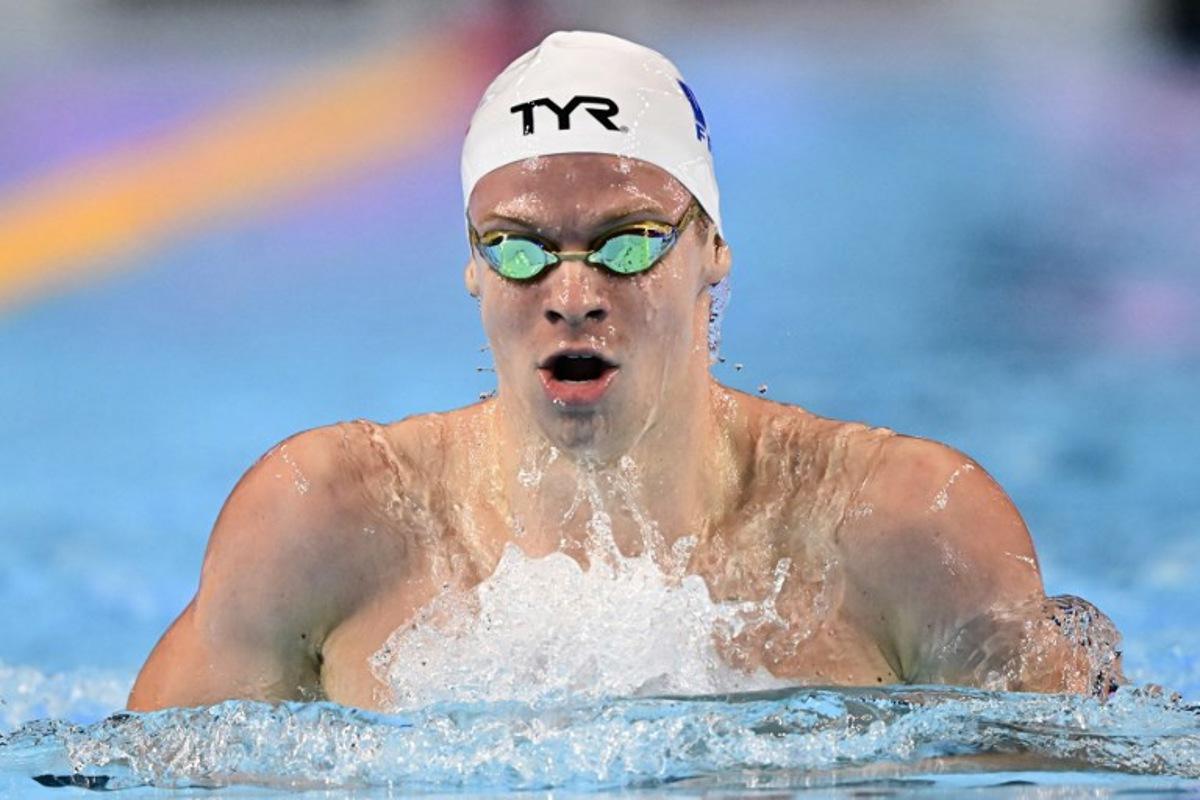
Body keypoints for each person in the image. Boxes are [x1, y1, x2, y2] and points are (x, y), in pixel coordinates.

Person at [128, 31, 1122, 712]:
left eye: (628, 242)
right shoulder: (324, 524)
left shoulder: (905, 527)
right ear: (471, 262)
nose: (571, 291)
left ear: (713, 247)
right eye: (519, 248)